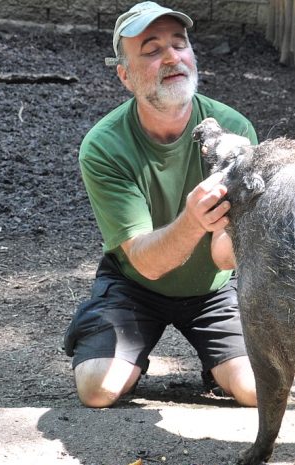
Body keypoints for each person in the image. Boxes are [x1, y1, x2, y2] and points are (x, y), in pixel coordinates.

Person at [63, 1, 258, 407]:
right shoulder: (104, 146)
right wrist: (191, 221)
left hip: (214, 287)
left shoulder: (234, 130)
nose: (171, 56)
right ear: (125, 76)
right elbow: (146, 263)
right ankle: (99, 325)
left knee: (255, 390)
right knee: (97, 389)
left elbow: (225, 258)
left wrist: (219, 228)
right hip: (135, 284)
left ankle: (220, 361)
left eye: (179, 44)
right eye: (151, 51)